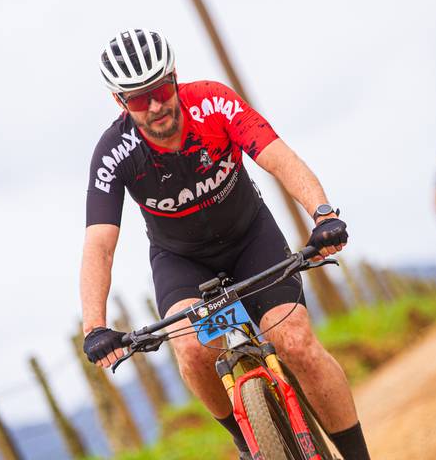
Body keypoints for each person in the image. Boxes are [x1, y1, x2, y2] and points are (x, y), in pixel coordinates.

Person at [79, 29, 370, 460]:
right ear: (120, 102)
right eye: (139, 99)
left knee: (295, 341)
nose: (155, 106)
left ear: (175, 77)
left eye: (160, 90)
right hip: (182, 261)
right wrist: (95, 326)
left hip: (250, 239)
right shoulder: (114, 152)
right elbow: (99, 244)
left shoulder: (212, 102)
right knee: (191, 349)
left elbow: (278, 157)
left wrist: (323, 215)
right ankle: (246, 440)